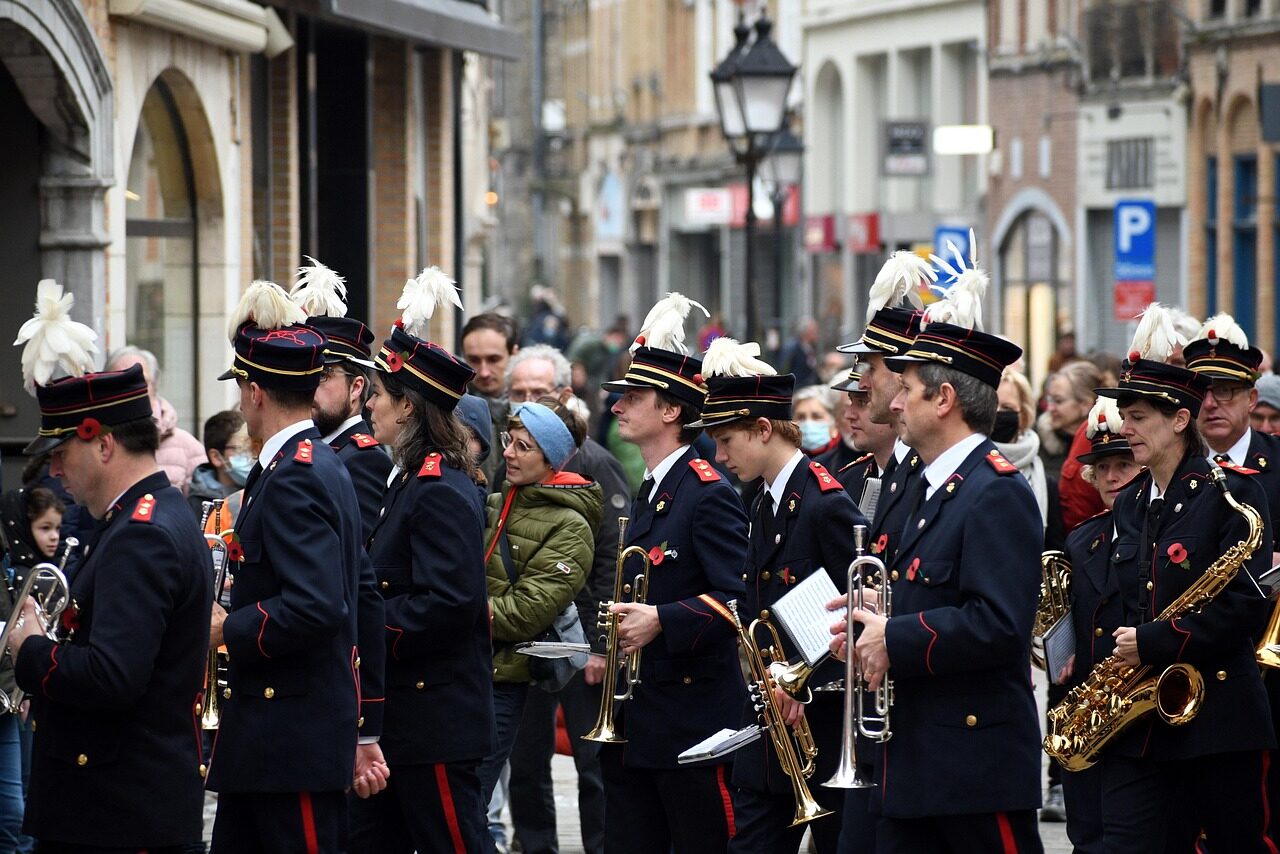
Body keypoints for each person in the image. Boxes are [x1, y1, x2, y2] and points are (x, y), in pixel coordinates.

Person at [834, 244, 1046, 853]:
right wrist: (870, 619)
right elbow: (925, 597)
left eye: (906, 389)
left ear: (944, 399)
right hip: (915, 761)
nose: (894, 402)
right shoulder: (932, 487)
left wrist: (892, 637)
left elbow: (999, 625)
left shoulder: (994, 491)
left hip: (973, 768)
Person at [10, 278, 212, 851]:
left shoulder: (141, 534)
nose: (54, 471)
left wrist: (31, 650)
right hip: (122, 807)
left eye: (61, 453)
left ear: (103, 445)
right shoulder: (144, 518)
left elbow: (112, 676)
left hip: (117, 814)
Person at [1084, 306, 1275, 851]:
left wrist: (1155, 641)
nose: (1125, 429)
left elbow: (1245, 604)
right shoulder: (1131, 502)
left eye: (1139, 417)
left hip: (1219, 718)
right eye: (1125, 416)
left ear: (1178, 420)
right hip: (1144, 724)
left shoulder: (1232, 493)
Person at [207, 280, 385, 853]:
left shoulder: (297, 473)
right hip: (272, 739)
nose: (240, 403)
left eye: (240, 389)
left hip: (290, 739)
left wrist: (228, 628)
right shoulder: (309, 463)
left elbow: (316, 606)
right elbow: (357, 591)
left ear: (255, 391)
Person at [693, 338, 864, 853]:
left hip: (823, 729)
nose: (720, 456)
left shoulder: (824, 502)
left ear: (764, 429)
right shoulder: (761, 500)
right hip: (770, 728)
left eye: (727, 440)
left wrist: (804, 680)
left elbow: (861, 611)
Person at [348, 269, 493, 853]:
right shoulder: (409, 479)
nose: (369, 405)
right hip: (405, 718)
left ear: (407, 406)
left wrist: (364, 622)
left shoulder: (438, 488)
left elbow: (449, 604)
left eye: (378, 396)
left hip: (435, 721)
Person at [598, 293, 749, 854]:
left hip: (692, 720)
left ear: (671, 412)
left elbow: (738, 600)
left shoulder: (707, 492)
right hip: (641, 718)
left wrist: (662, 618)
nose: (617, 408)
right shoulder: (655, 487)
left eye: (633, 398)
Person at [503, 346, 629, 854]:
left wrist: (599, 645)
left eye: (539, 392)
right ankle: (536, 845)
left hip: (582, 641)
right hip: (529, 636)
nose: (529, 400)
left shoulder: (595, 463)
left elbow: (612, 558)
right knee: (527, 761)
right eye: (520, 392)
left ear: (564, 394)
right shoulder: (512, 465)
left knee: (592, 760)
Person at [830, 251, 934, 854]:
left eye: (869, 368)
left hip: (925, 724)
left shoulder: (931, 476)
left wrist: (887, 629)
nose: (860, 385)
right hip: (879, 713)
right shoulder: (885, 476)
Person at [480, 401, 601, 809]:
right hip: (471, 670)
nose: (508, 453)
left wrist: (455, 612)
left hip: (503, 680)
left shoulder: (571, 525)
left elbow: (528, 611)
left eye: (523, 446)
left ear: (550, 459)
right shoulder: (497, 503)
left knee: (473, 801)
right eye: (508, 441)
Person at [1047, 397, 1140, 854]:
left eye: (1123, 465)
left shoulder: (1162, 533)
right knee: (1086, 831)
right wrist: (1057, 652)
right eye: (1102, 468)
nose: (1111, 477)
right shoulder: (1082, 538)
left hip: (1139, 709)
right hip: (1087, 708)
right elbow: (1068, 615)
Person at [289, 256, 394, 540]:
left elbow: (360, 554)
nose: (309, 387)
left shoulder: (363, 461)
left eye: (323, 376)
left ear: (356, 388)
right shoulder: (314, 448)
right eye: (305, 374)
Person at [0, 486, 64, 851]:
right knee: (16, 805)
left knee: (19, 803)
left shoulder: (31, 571)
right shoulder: (22, 572)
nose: (54, 537)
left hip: (14, 693)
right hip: (15, 689)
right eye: (44, 528)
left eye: (57, 528)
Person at [105, 345, 206, 494]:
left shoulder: (188, 447)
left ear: (154, 385)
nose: (130, 389)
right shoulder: (95, 445)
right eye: (119, 381)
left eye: (140, 381)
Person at [827, 365, 899, 509]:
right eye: (850, 402)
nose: (849, 415)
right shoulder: (849, 479)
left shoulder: (919, 476)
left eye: (863, 402)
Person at [462, 313, 520, 489]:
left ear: (514, 353)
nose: (484, 372)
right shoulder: (450, 411)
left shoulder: (535, 407)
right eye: (474, 360)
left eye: (493, 359)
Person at [1038, 360, 1101, 480]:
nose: (1050, 408)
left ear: (1085, 404)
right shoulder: (1036, 443)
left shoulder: (1104, 444)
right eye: (1049, 400)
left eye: (1058, 401)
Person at [187, 410, 251, 518]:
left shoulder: (259, 492)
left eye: (252, 447)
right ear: (216, 457)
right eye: (241, 449)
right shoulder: (198, 505)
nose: (250, 455)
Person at [793, 386, 841, 458]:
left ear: (835, 421)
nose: (808, 423)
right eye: (801, 417)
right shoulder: (789, 458)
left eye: (817, 417)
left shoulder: (848, 455)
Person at [778, 317, 819, 388]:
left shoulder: (811, 346)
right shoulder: (792, 347)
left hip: (807, 387)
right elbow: (783, 369)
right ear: (807, 332)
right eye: (814, 331)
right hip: (795, 388)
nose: (817, 334)